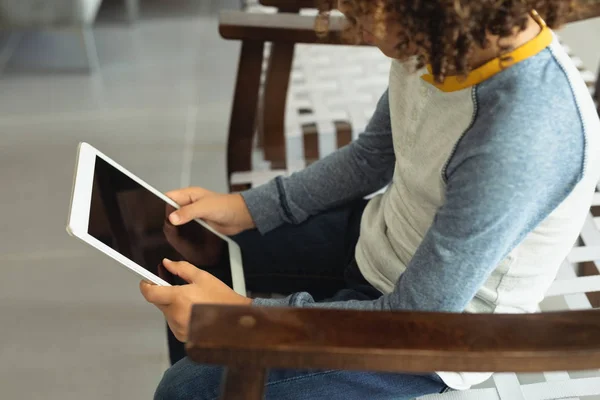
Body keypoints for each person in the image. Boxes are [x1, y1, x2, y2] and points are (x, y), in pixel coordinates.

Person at [139, 0, 600, 399]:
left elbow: (417, 319)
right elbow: (371, 157)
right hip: (381, 242)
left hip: (440, 336)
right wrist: (249, 207)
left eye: (364, 10)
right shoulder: (444, 41)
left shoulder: (521, 134)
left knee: (187, 389)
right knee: (187, 254)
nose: (353, 23)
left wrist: (243, 319)